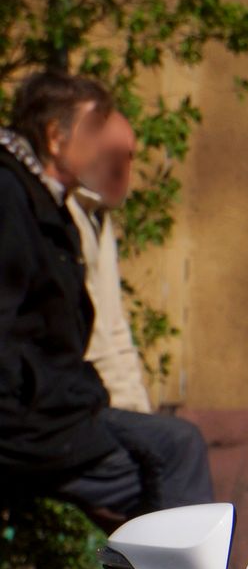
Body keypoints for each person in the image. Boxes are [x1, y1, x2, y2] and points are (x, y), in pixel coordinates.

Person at [0, 71, 214, 569]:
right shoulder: (13, 199)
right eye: (96, 135)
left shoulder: (53, 204)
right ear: (56, 137)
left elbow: (92, 333)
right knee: (172, 463)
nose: (109, 159)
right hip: (31, 421)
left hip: (60, 407)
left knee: (163, 482)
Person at [68, 111, 152, 413]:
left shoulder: (98, 219)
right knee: (181, 438)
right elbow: (96, 342)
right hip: (75, 402)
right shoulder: (65, 215)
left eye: (128, 157)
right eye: (111, 155)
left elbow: (116, 331)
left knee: (173, 436)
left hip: (107, 403)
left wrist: (139, 411)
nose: (121, 169)